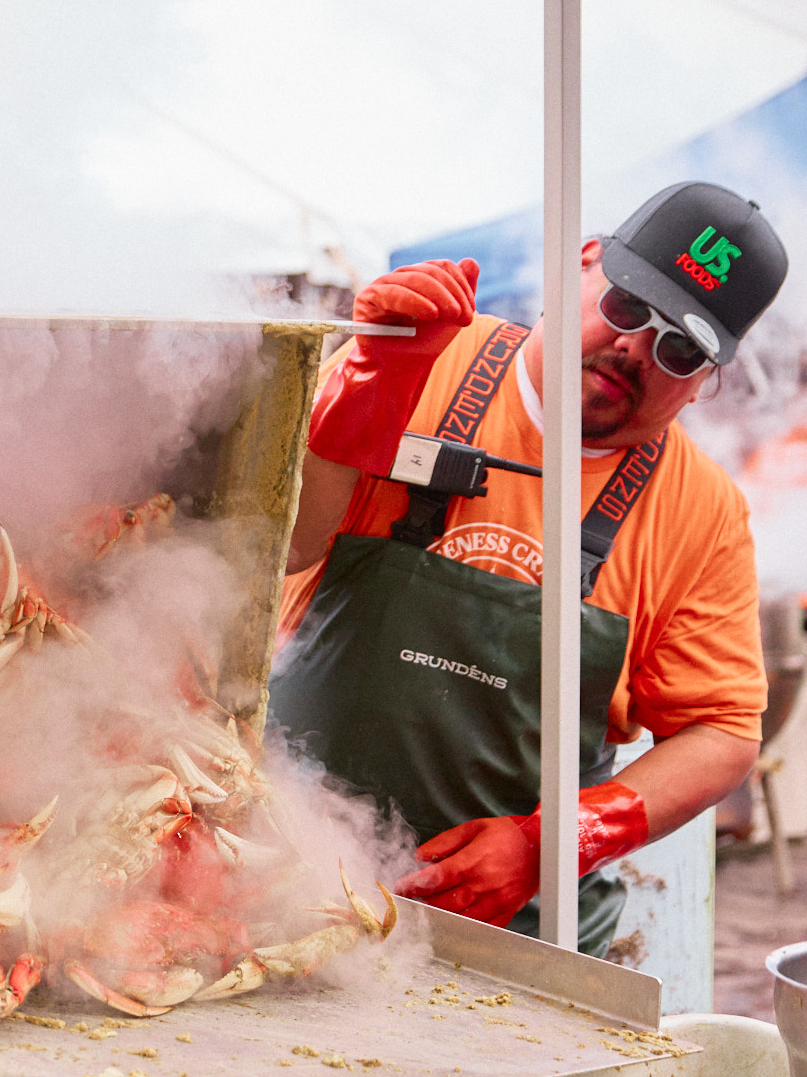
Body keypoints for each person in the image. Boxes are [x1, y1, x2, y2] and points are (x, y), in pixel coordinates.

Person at [272, 181, 784, 957]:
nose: (636, 349)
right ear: (583, 265)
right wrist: (363, 391)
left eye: (680, 348)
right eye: (628, 307)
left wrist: (553, 843)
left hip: (517, 934)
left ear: (705, 378)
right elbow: (280, 552)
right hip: (282, 870)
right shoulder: (423, 353)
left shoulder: (702, 511)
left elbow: (721, 731)